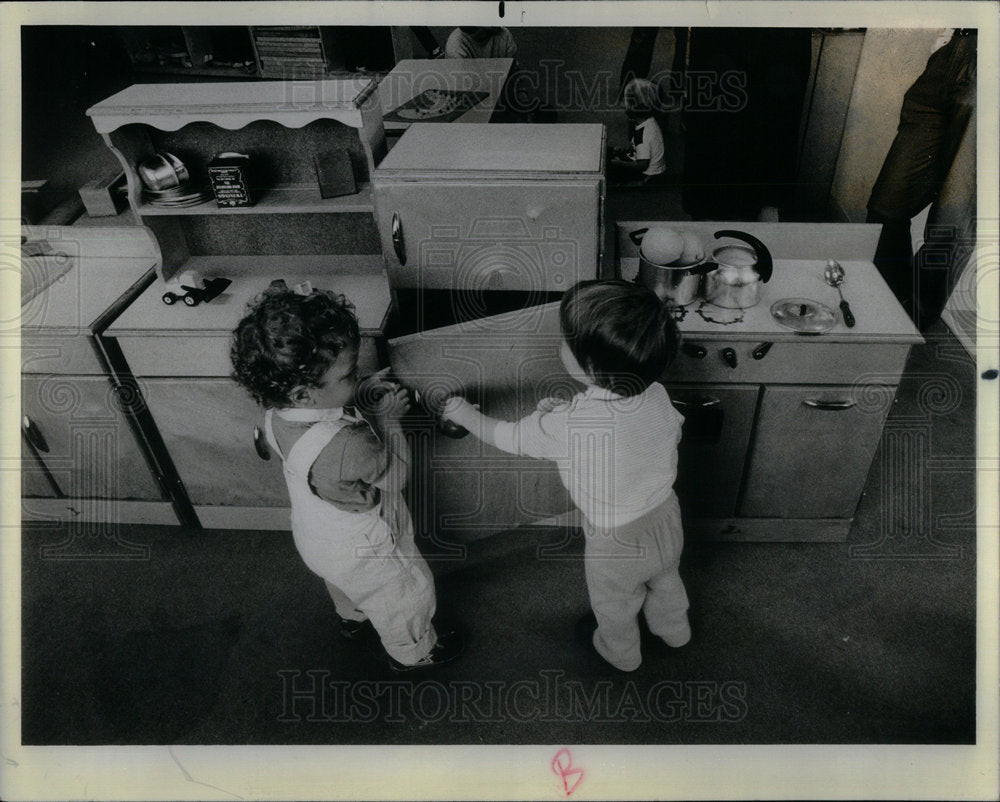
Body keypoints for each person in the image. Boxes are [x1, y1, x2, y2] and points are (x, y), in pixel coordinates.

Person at [442, 280, 690, 672]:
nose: (560, 343)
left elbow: (510, 437)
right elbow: (648, 429)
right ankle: (674, 629)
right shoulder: (655, 392)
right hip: (665, 516)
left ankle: (621, 653)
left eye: (566, 340)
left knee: (615, 601)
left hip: (617, 538)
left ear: (589, 366)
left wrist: (465, 415)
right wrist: (567, 412)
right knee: (665, 577)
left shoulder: (571, 427)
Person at [230, 280, 463, 671]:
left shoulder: (277, 416)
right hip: (365, 549)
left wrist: (356, 390)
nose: (358, 378)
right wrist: (389, 421)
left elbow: (327, 412)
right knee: (404, 593)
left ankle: (352, 618)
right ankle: (415, 652)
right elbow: (394, 478)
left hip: (318, 541)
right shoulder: (348, 445)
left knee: (346, 587)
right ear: (305, 393)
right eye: (350, 375)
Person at [866, 29, 977, 331]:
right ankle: (882, 303)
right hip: (956, 51)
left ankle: (907, 325)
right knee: (886, 207)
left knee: (950, 226)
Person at [608, 78, 668, 186]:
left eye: (624, 101)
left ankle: (635, 184)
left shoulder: (642, 134)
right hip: (648, 165)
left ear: (631, 108)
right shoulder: (649, 122)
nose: (622, 104)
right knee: (614, 154)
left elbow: (642, 165)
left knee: (610, 167)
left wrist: (620, 163)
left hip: (647, 174)